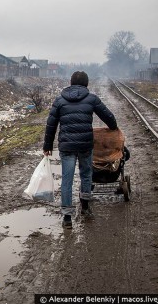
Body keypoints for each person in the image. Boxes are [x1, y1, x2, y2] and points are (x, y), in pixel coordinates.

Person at [42, 71, 117, 228]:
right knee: (86, 175)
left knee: (67, 181)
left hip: (67, 146)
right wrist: (113, 128)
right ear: (86, 83)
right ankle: (85, 208)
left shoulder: (60, 100)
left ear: (70, 82)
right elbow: (108, 116)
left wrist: (47, 145)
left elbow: (51, 124)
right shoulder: (91, 99)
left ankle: (67, 218)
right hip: (84, 145)